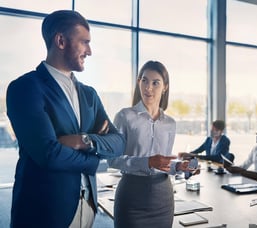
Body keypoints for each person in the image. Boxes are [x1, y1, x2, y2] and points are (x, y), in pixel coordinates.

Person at [6, 10, 125, 228]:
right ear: (60, 41)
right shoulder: (24, 88)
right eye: (84, 42)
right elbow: (49, 154)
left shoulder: (89, 94)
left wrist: (84, 140)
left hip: (87, 208)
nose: (89, 51)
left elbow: (119, 141)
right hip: (43, 212)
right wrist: (94, 161)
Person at [108, 60, 196, 228]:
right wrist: (147, 161)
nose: (149, 88)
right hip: (131, 195)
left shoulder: (170, 123)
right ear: (138, 82)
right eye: (144, 81)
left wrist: (179, 167)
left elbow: (164, 164)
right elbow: (112, 159)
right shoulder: (125, 116)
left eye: (155, 83)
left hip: (163, 198)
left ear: (165, 87)